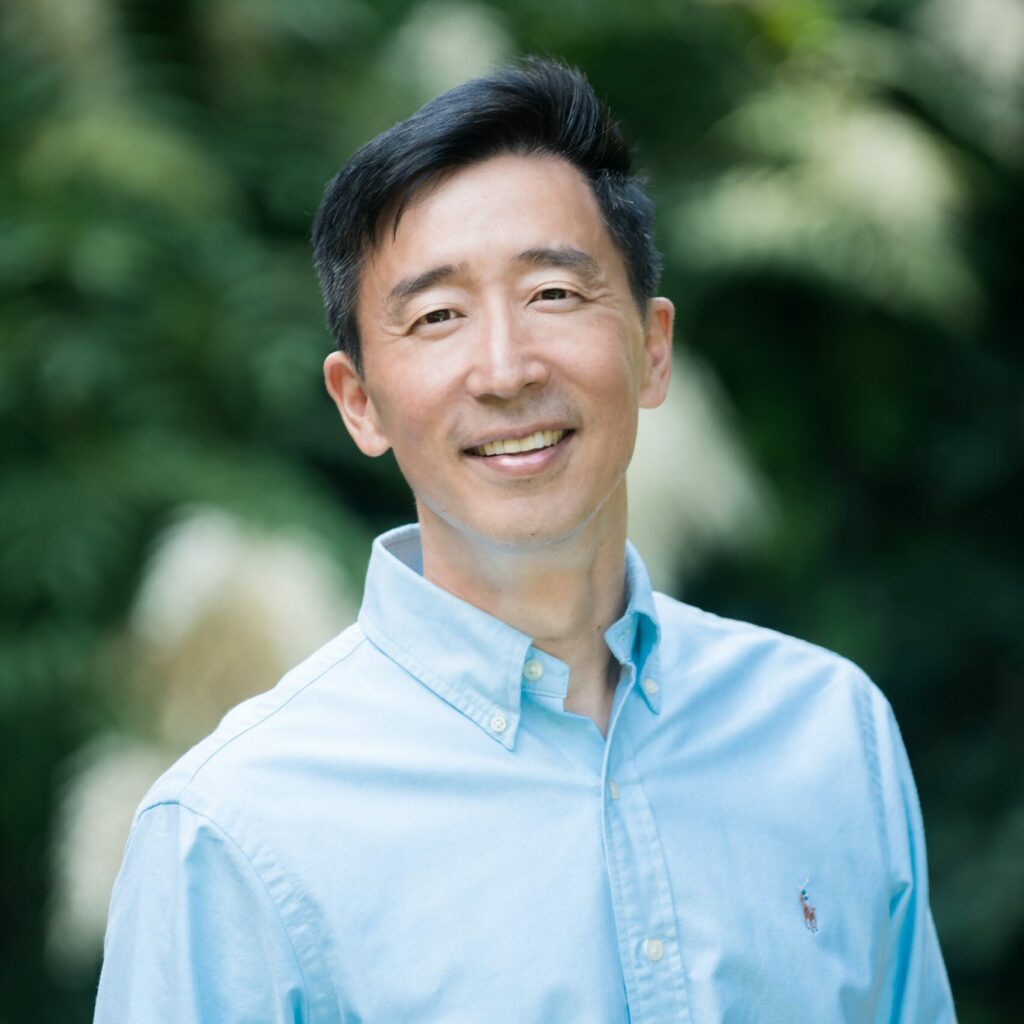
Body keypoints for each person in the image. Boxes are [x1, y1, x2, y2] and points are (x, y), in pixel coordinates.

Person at [94, 59, 956, 1022]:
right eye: (438, 317)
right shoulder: (233, 830)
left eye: (553, 293)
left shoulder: (830, 735)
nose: (504, 370)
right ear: (360, 402)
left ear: (652, 348)